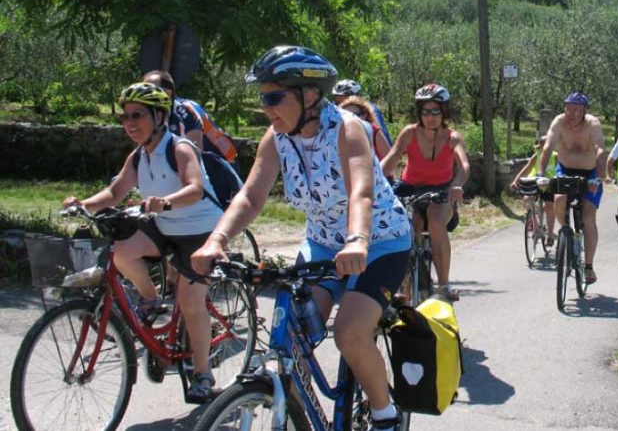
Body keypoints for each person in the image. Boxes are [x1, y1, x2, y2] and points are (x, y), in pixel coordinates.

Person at [191, 46, 412, 430]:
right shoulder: (277, 137)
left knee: (350, 333)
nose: (266, 107)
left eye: (274, 97)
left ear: (309, 95)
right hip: (323, 244)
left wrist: (357, 240)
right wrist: (217, 239)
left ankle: (384, 414)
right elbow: (251, 195)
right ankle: (296, 413)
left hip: (378, 242)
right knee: (295, 331)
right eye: (262, 98)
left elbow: (361, 190)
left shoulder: (347, 128)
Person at [62, 82, 222, 403]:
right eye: (124, 117)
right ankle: (151, 299)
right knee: (122, 252)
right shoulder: (138, 156)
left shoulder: (180, 149)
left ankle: (203, 374)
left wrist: (164, 202)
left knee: (191, 303)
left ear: (159, 116)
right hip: (165, 226)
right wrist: (83, 205)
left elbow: (194, 189)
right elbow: (114, 193)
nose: (130, 123)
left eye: (138, 115)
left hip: (200, 230)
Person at [380, 83, 470, 300]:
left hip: (441, 191)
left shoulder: (453, 137)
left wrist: (457, 185)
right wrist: (373, 181)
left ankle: (444, 286)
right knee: (409, 228)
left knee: (436, 222)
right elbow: (389, 162)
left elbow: (464, 166)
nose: (430, 117)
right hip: (409, 188)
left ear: (444, 112)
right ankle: (405, 287)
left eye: (435, 112)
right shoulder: (409, 133)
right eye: (425, 112)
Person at [537, 91, 606, 284]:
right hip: (565, 170)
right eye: (569, 108)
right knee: (559, 199)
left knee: (588, 216)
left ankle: (589, 266)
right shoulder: (559, 122)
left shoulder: (592, 124)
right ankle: (566, 234)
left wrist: (600, 178)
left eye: (577, 109)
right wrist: (541, 174)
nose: (572, 113)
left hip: (590, 174)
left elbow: (600, 148)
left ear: (584, 111)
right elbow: (548, 147)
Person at [142, 70, 239, 168]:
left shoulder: (185, 109)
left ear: (168, 92)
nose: (144, 95)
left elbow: (196, 150)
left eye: (150, 90)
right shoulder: (156, 115)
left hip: (223, 164)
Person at [511, 136, 558, 246]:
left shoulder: (555, 156)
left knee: (549, 206)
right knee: (527, 200)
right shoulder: (536, 155)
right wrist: (515, 181)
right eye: (541, 145)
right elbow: (526, 169)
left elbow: (560, 171)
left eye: (544, 145)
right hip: (535, 182)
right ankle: (536, 227)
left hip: (549, 184)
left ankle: (550, 234)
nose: (542, 147)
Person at [332, 79, 393, 145]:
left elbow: (382, 133)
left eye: (342, 97)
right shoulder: (335, 110)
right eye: (336, 97)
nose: (337, 101)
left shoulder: (370, 109)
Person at [339, 96, 392, 163]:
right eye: (345, 115)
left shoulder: (374, 132)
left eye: (354, 115)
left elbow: (390, 158)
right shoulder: (338, 134)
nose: (350, 118)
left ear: (365, 115)